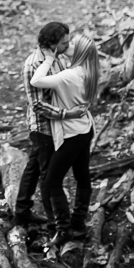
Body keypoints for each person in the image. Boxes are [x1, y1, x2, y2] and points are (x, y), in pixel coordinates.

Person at [13, 22, 86, 229]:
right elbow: (37, 105)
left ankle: (21, 212)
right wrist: (67, 114)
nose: (68, 44)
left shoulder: (56, 59)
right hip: (43, 127)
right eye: (64, 42)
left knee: (34, 168)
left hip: (56, 125)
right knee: (48, 175)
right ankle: (55, 222)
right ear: (53, 44)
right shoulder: (34, 65)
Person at [30, 33, 100, 246]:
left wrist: (50, 59)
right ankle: (78, 224)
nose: (67, 45)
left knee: (51, 181)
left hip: (73, 135)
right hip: (85, 129)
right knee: (82, 176)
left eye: (72, 44)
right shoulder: (91, 71)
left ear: (78, 52)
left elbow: (36, 80)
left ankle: (64, 230)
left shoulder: (70, 75)